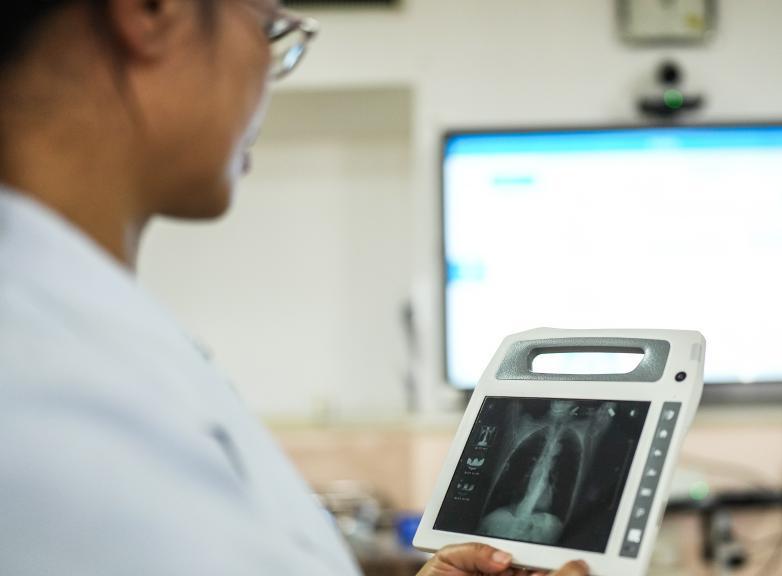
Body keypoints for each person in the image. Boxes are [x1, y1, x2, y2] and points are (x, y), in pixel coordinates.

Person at [0, 1, 588, 575]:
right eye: (268, 28)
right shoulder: (44, 391)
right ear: (152, 11)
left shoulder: (81, 333)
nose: (269, 75)